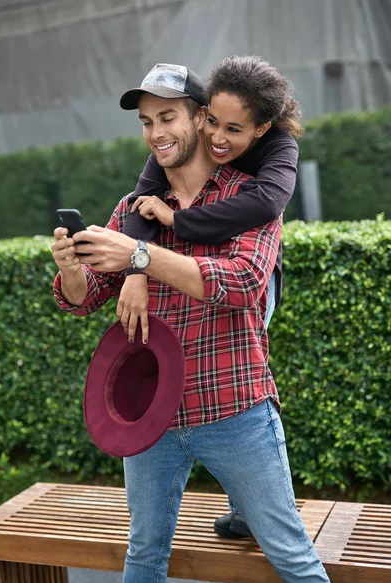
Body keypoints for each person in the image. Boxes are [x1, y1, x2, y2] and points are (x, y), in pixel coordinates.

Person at [51, 62, 335, 583]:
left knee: (290, 554)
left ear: (202, 118)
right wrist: (70, 267)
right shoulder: (133, 209)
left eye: (167, 117)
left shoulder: (248, 196)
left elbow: (244, 281)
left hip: (234, 408)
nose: (156, 133)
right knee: (144, 551)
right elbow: (85, 296)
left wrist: (141, 258)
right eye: (145, 122)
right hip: (151, 415)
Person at [117, 55, 301, 540]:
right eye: (214, 122)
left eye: (232, 129)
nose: (219, 138)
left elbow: (263, 205)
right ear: (205, 114)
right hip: (182, 252)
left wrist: (176, 224)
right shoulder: (170, 152)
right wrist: (136, 268)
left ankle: (255, 500)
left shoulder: (277, 148)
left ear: (259, 128)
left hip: (256, 277)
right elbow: (141, 203)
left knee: (242, 356)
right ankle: (249, 497)